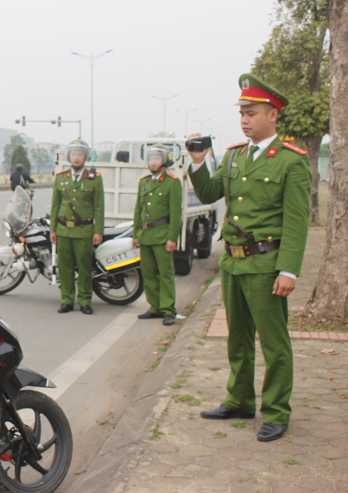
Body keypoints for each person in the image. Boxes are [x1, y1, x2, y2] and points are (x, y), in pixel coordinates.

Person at [187, 74, 311, 442]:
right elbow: (210, 192)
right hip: (234, 263)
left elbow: (297, 221)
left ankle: (275, 411)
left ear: (273, 115)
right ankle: (239, 400)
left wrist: (289, 270)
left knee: (274, 343)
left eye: (251, 113)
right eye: (241, 113)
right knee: (237, 339)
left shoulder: (291, 161)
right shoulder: (234, 156)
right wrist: (198, 162)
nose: (244, 119)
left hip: (266, 265)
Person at [49, 139, 104, 315]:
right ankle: (66, 300)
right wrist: (53, 229)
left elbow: (99, 207)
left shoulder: (95, 179)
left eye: (80, 154)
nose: (76, 158)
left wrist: (98, 231)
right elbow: (55, 206)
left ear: (85, 157)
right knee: (64, 269)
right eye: (73, 154)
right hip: (64, 230)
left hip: (84, 231)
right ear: (69, 156)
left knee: (84, 268)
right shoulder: (60, 177)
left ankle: (85, 301)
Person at [132, 145, 182, 326]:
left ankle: (169, 309)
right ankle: (155, 307)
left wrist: (172, 238)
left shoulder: (172, 182)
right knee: (149, 273)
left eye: (156, 159)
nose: (152, 162)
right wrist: (136, 233)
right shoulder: (144, 182)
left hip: (162, 235)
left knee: (165, 274)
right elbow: (139, 208)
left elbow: (176, 213)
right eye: (150, 159)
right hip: (145, 235)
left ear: (165, 161)